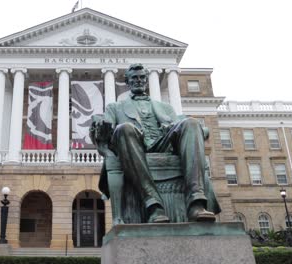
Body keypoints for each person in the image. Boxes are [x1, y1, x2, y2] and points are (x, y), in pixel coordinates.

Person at [93, 64, 219, 224]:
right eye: (134, 78)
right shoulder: (115, 108)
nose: (138, 81)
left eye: (141, 77)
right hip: (134, 146)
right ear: (127, 81)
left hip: (163, 144)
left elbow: (179, 129)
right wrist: (100, 128)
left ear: (146, 80)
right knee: (123, 128)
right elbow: (106, 127)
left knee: (192, 123)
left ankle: (196, 203)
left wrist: (170, 128)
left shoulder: (165, 107)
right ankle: (153, 205)